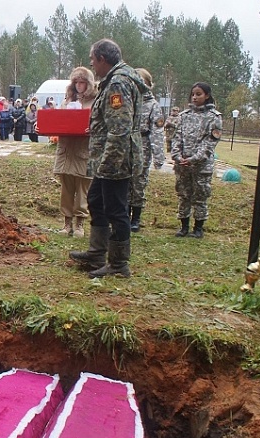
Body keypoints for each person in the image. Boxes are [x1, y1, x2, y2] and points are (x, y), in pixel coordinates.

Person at [69, 39, 147, 278]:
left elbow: (120, 128)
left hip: (116, 159)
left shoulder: (119, 83)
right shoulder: (115, 80)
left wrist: (108, 163)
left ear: (103, 58)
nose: (92, 65)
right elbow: (111, 123)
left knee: (116, 209)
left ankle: (118, 264)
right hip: (109, 156)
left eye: (93, 60)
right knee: (96, 200)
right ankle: (97, 253)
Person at [170, 82, 222, 239]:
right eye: (193, 94)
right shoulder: (183, 116)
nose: (194, 97)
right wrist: (178, 157)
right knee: (183, 194)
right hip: (183, 164)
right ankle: (184, 226)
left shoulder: (214, 118)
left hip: (201, 166)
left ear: (206, 95)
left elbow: (209, 144)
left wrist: (193, 159)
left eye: (198, 94)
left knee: (200, 195)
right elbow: (176, 138)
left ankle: (198, 228)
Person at [55, 67, 98, 238]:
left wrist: (91, 128)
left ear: (88, 83)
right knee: (66, 189)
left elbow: (99, 124)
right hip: (66, 150)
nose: (79, 85)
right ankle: (67, 223)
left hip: (83, 149)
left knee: (82, 189)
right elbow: (59, 120)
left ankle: (79, 223)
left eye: (83, 82)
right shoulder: (67, 100)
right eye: (76, 82)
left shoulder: (95, 101)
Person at [128, 68, 165, 233]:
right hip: (125, 145)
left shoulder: (152, 105)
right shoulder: (128, 101)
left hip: (142, 145)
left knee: (138, 182)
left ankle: (135, 218)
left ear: (148, 85)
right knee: (125, 182)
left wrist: (158, 156)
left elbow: (157, 132)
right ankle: (123, 215)